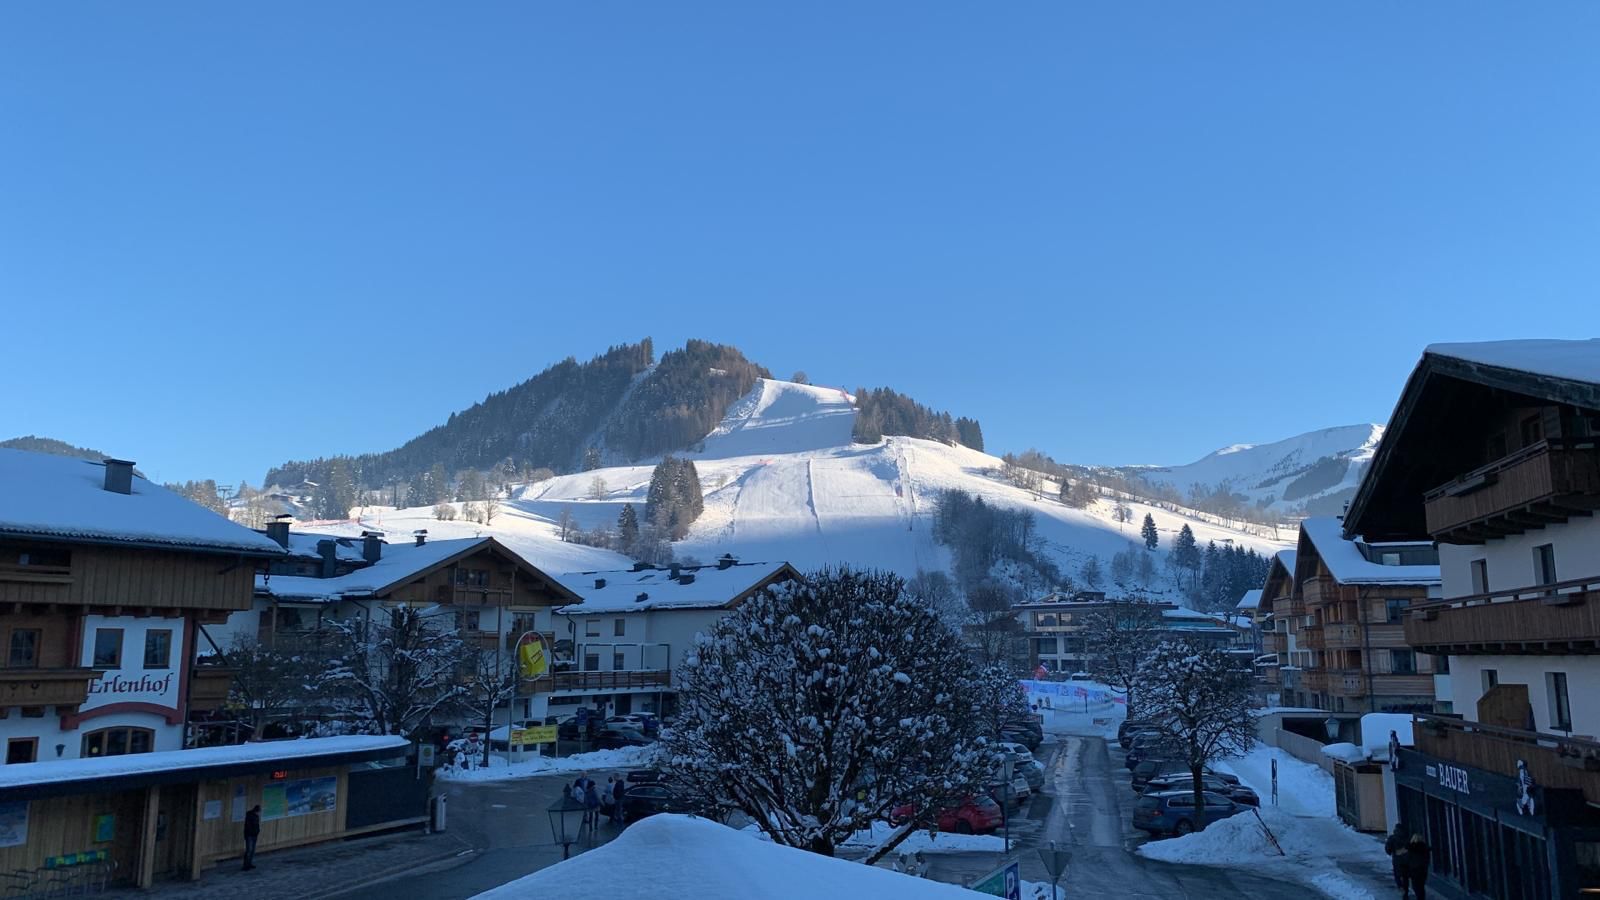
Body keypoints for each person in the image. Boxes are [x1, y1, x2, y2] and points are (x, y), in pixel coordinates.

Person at [1384, 823, 1410, 896]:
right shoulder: (1407, 837)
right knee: (1405, 877)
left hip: (1397, 860)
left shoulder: (1392, 838)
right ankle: (1406, 891)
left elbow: (1388, 849)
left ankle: (1402, 890)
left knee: (1397, 876)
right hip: (1407, 860)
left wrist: (1392, 851)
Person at [1404, 832, 1431, 900]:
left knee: (1416, 886)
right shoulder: (1425, 848)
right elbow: (1427, 859)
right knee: (1421, 885)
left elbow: (1407, 859)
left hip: (1414, 870)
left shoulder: (1411, 849)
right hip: (1423, 869)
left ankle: (1419, 897)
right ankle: (1421, 897)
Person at [242, 805, 262, 871]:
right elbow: (248, 826)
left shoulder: (256, 816)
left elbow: (257, 825)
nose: (259, 813)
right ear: (256, 811)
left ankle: (249, 863)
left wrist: (257, 831)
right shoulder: (249, 816)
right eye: (259, 811)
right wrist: (252, 832)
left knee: (252, 850)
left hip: (254, 835)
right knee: (249, 850)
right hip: (249, 835)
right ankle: (245, 865)